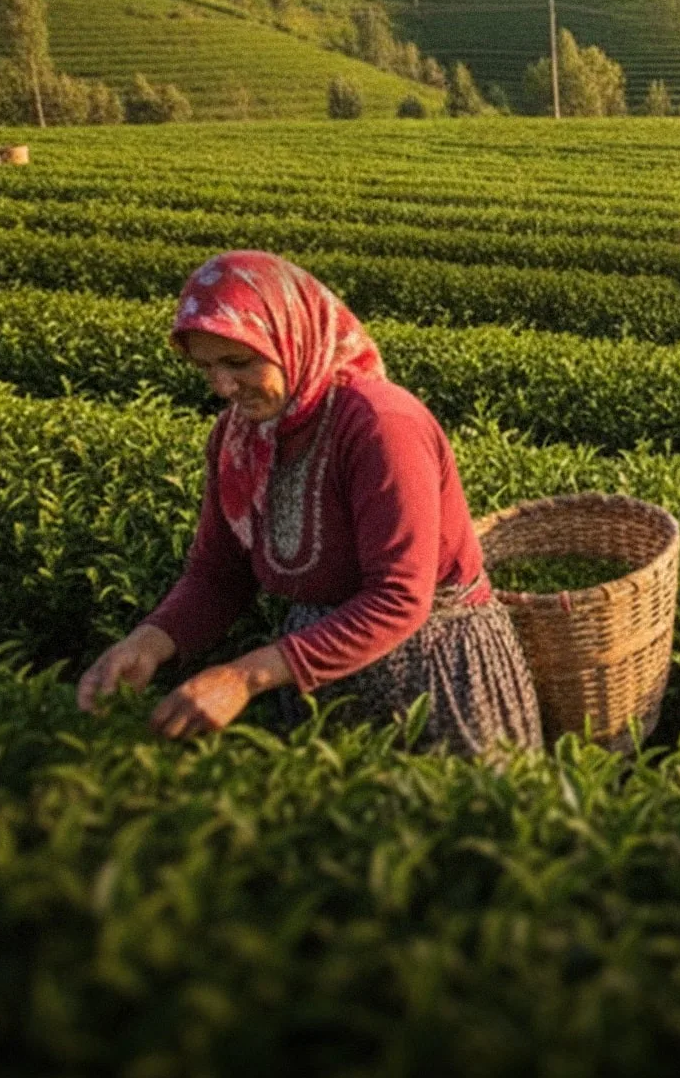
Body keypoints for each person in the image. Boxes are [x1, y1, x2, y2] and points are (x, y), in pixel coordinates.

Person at [77, 251, 543, 757]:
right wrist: (148, 643)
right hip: (314, 671)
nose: (222, 387)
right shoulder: (239, 436)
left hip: (434, 672)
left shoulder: (380, 424)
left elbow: (400, 597)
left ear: (291, 337)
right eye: (206, 366)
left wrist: (244, 677)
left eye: (239, 363)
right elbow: (219, 573)